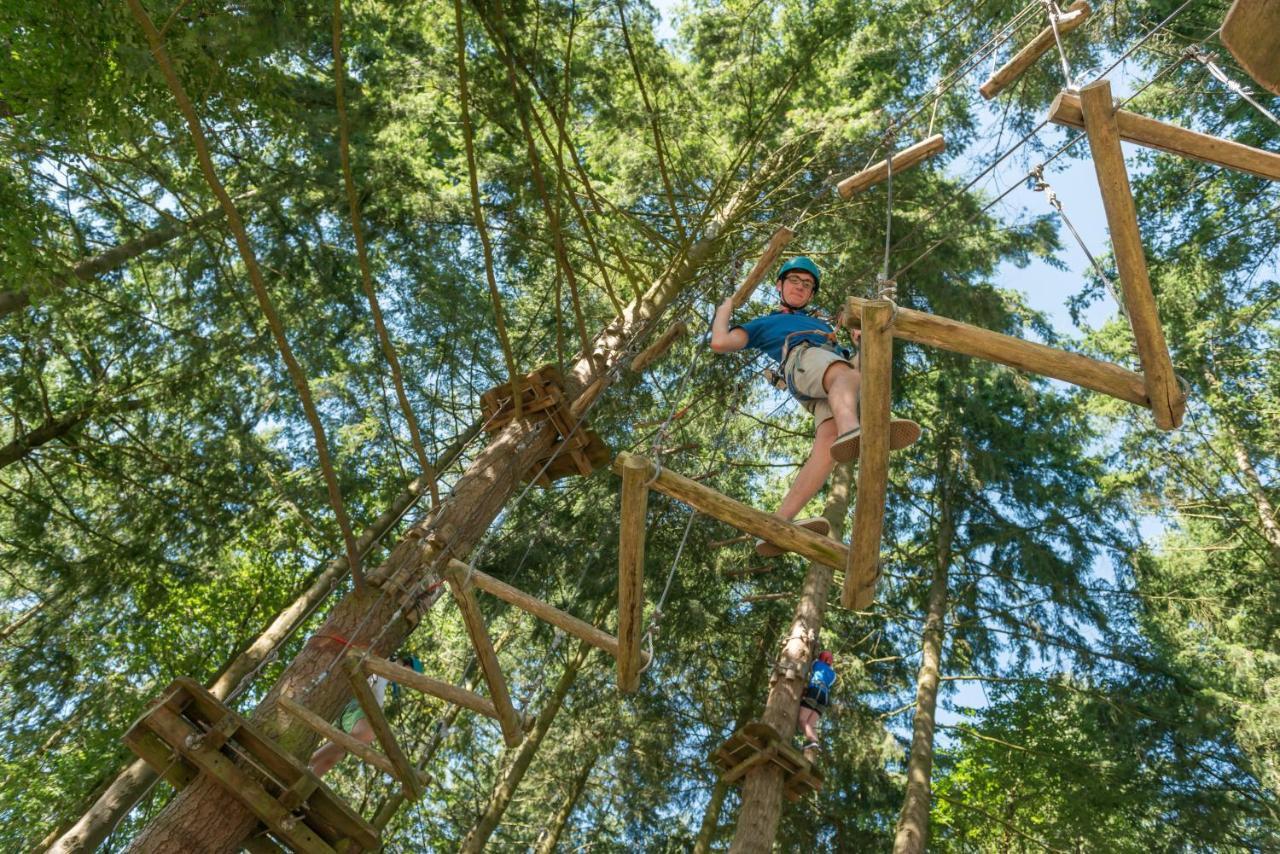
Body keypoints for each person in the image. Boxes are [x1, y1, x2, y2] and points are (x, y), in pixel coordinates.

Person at [709, 255, 919, 556]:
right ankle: (853, 431)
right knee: (844, 379)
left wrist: (862, 342)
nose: (801, 287)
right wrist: (724, 311)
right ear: (779, 285)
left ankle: (777, 525)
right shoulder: (766, 323)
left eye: (807, 284)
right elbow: (720, 342)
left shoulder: (822, 328)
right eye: (794, 280)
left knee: (827, 446)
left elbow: (855, 371)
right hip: (803, 360)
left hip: (828, 377)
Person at [308, 654, 423, 777]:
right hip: (356, 707)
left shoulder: (388, 675)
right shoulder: (386, 664)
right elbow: (372, 684)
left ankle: (308, 780)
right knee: (366, 734)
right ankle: (310, 760)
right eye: (409, 675)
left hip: (357, 712)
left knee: (336, 755)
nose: (405, 681)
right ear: (407, 665)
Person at [798, 650, 837, 760]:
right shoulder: (833, 675)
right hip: (825, 698)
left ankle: (813, 741)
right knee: (809, 724)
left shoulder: (816, 663)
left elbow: (809, 661)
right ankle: (815, 745)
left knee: (802, 720)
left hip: (815, 690)